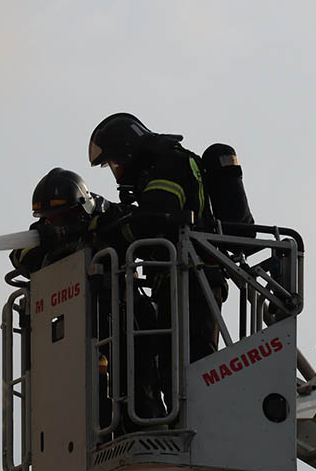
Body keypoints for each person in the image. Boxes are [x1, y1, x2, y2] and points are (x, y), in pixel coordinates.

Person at [10, 167, 166, 428]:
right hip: (77, 320)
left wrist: (92, 232)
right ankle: (104, 431)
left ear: (81, 205)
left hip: (123, 309)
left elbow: (137, 228)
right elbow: (19, 256)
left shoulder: (108, 214)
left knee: (138, 371)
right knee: (88, 382)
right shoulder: (43, 229)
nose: (55, 222)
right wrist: (52, 240)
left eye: (63, 217)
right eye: (50, 219)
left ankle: (151, 426)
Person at [88, 113, 227, 369]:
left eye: (114, 164)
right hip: (178, 279)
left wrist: (108, 233)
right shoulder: (164, 165)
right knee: (172, 371)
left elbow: (152, 219)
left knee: (191, 370)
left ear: (127, 151)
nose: (116, 172)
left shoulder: (169, 164)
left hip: (194, 278)